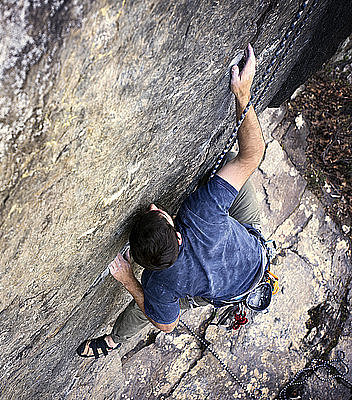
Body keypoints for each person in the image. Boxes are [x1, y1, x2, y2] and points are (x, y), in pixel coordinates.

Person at [77, 43, 267, 358]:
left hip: (242, 252)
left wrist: (130, 280)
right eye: (159, 214)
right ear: (177, 230)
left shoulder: (158, 283)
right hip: (249, 253)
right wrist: (242, 95)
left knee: (148, 307)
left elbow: (167, 323)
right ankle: (113, 341)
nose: (154, 207)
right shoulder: (200, 213)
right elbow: (253, 156)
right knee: (234, 164)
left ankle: (114, 340)